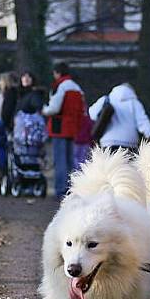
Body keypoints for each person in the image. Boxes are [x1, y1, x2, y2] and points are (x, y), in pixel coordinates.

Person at [42, 62, 85, 199]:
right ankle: (71, 189)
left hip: (59, 127)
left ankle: (60, 189)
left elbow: (54, 108)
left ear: (57, 73)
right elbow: (82, 109)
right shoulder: (77, 88)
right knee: (69, 160)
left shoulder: (59, 86)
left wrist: (44, 110)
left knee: (59, 160)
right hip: (72, 127)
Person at [88, 83, 150, 154]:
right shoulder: (134, 102)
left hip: (108, 142)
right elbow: (143, 121)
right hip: (129, 143)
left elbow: (92, 114)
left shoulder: (106, 99)